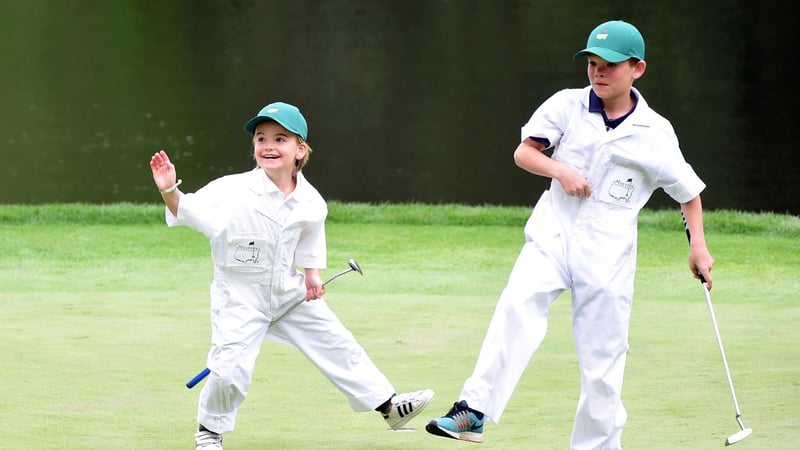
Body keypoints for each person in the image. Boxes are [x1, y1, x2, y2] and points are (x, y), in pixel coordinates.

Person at [425, 20, 715, 449]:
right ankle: (473, 411)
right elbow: (525, 152)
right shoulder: (566, 105)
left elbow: (688, 193)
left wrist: (698, 247)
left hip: (609, 251)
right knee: (516, 306)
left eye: (610, 66)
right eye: (593, 64)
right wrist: (558, 169)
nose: (598, 72)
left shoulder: (656, 133)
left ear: (638, 69)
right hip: (553, 234)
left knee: (602, 359)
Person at [149, 101, 434, 450]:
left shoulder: (311, 201)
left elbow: (311, 238)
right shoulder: (230, 190)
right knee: (229, 371)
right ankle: (209, 432)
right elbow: (185, 209)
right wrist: (168, 189)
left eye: (280, 139)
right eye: (261, 138)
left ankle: (389, 407)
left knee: (337, 343)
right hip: (238, 296)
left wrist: (313, 275)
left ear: (300, 149)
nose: (268, 146)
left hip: (289, 291)